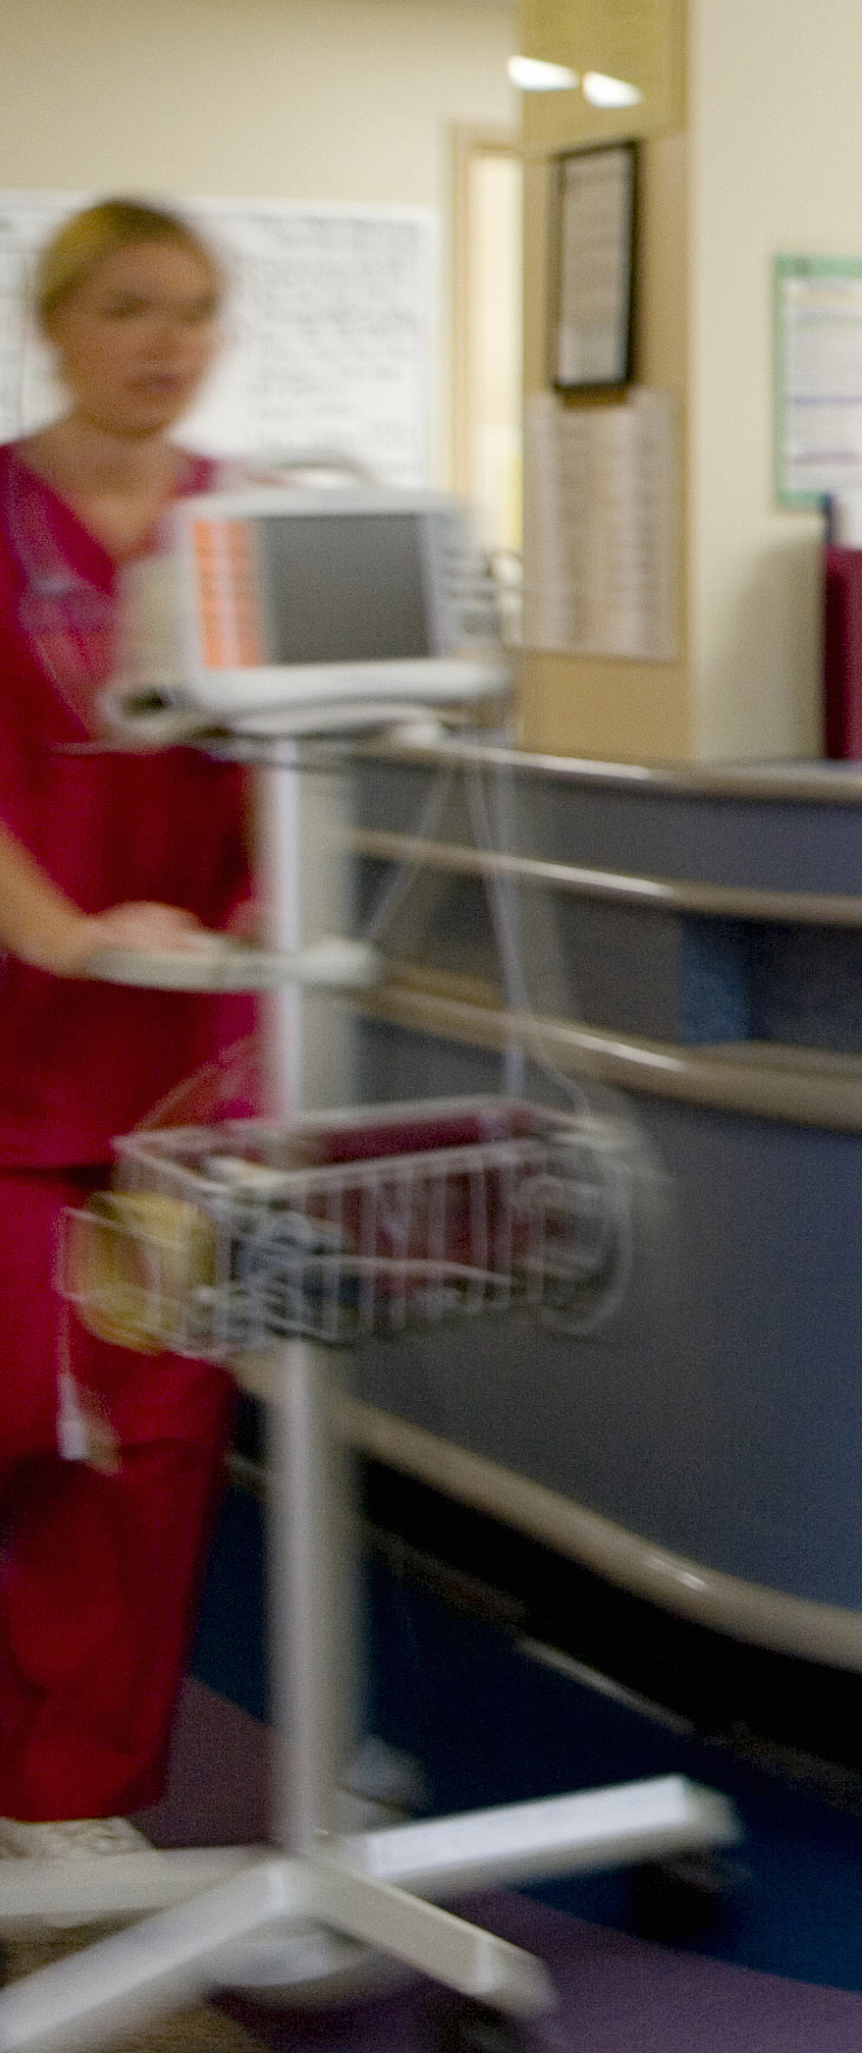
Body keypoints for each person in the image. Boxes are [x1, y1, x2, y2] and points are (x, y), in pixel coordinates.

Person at [0, 199, 252, 1870]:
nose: (165, 344)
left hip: (188, 1056)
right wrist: (70, 935)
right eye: (130, 306)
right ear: (58, 319)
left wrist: (239, 937)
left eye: (195, 314)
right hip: (24, 1017)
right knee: (22, 1401)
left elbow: (299, 774)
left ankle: (71, 1795)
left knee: (152, 1439)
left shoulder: (251, 530)